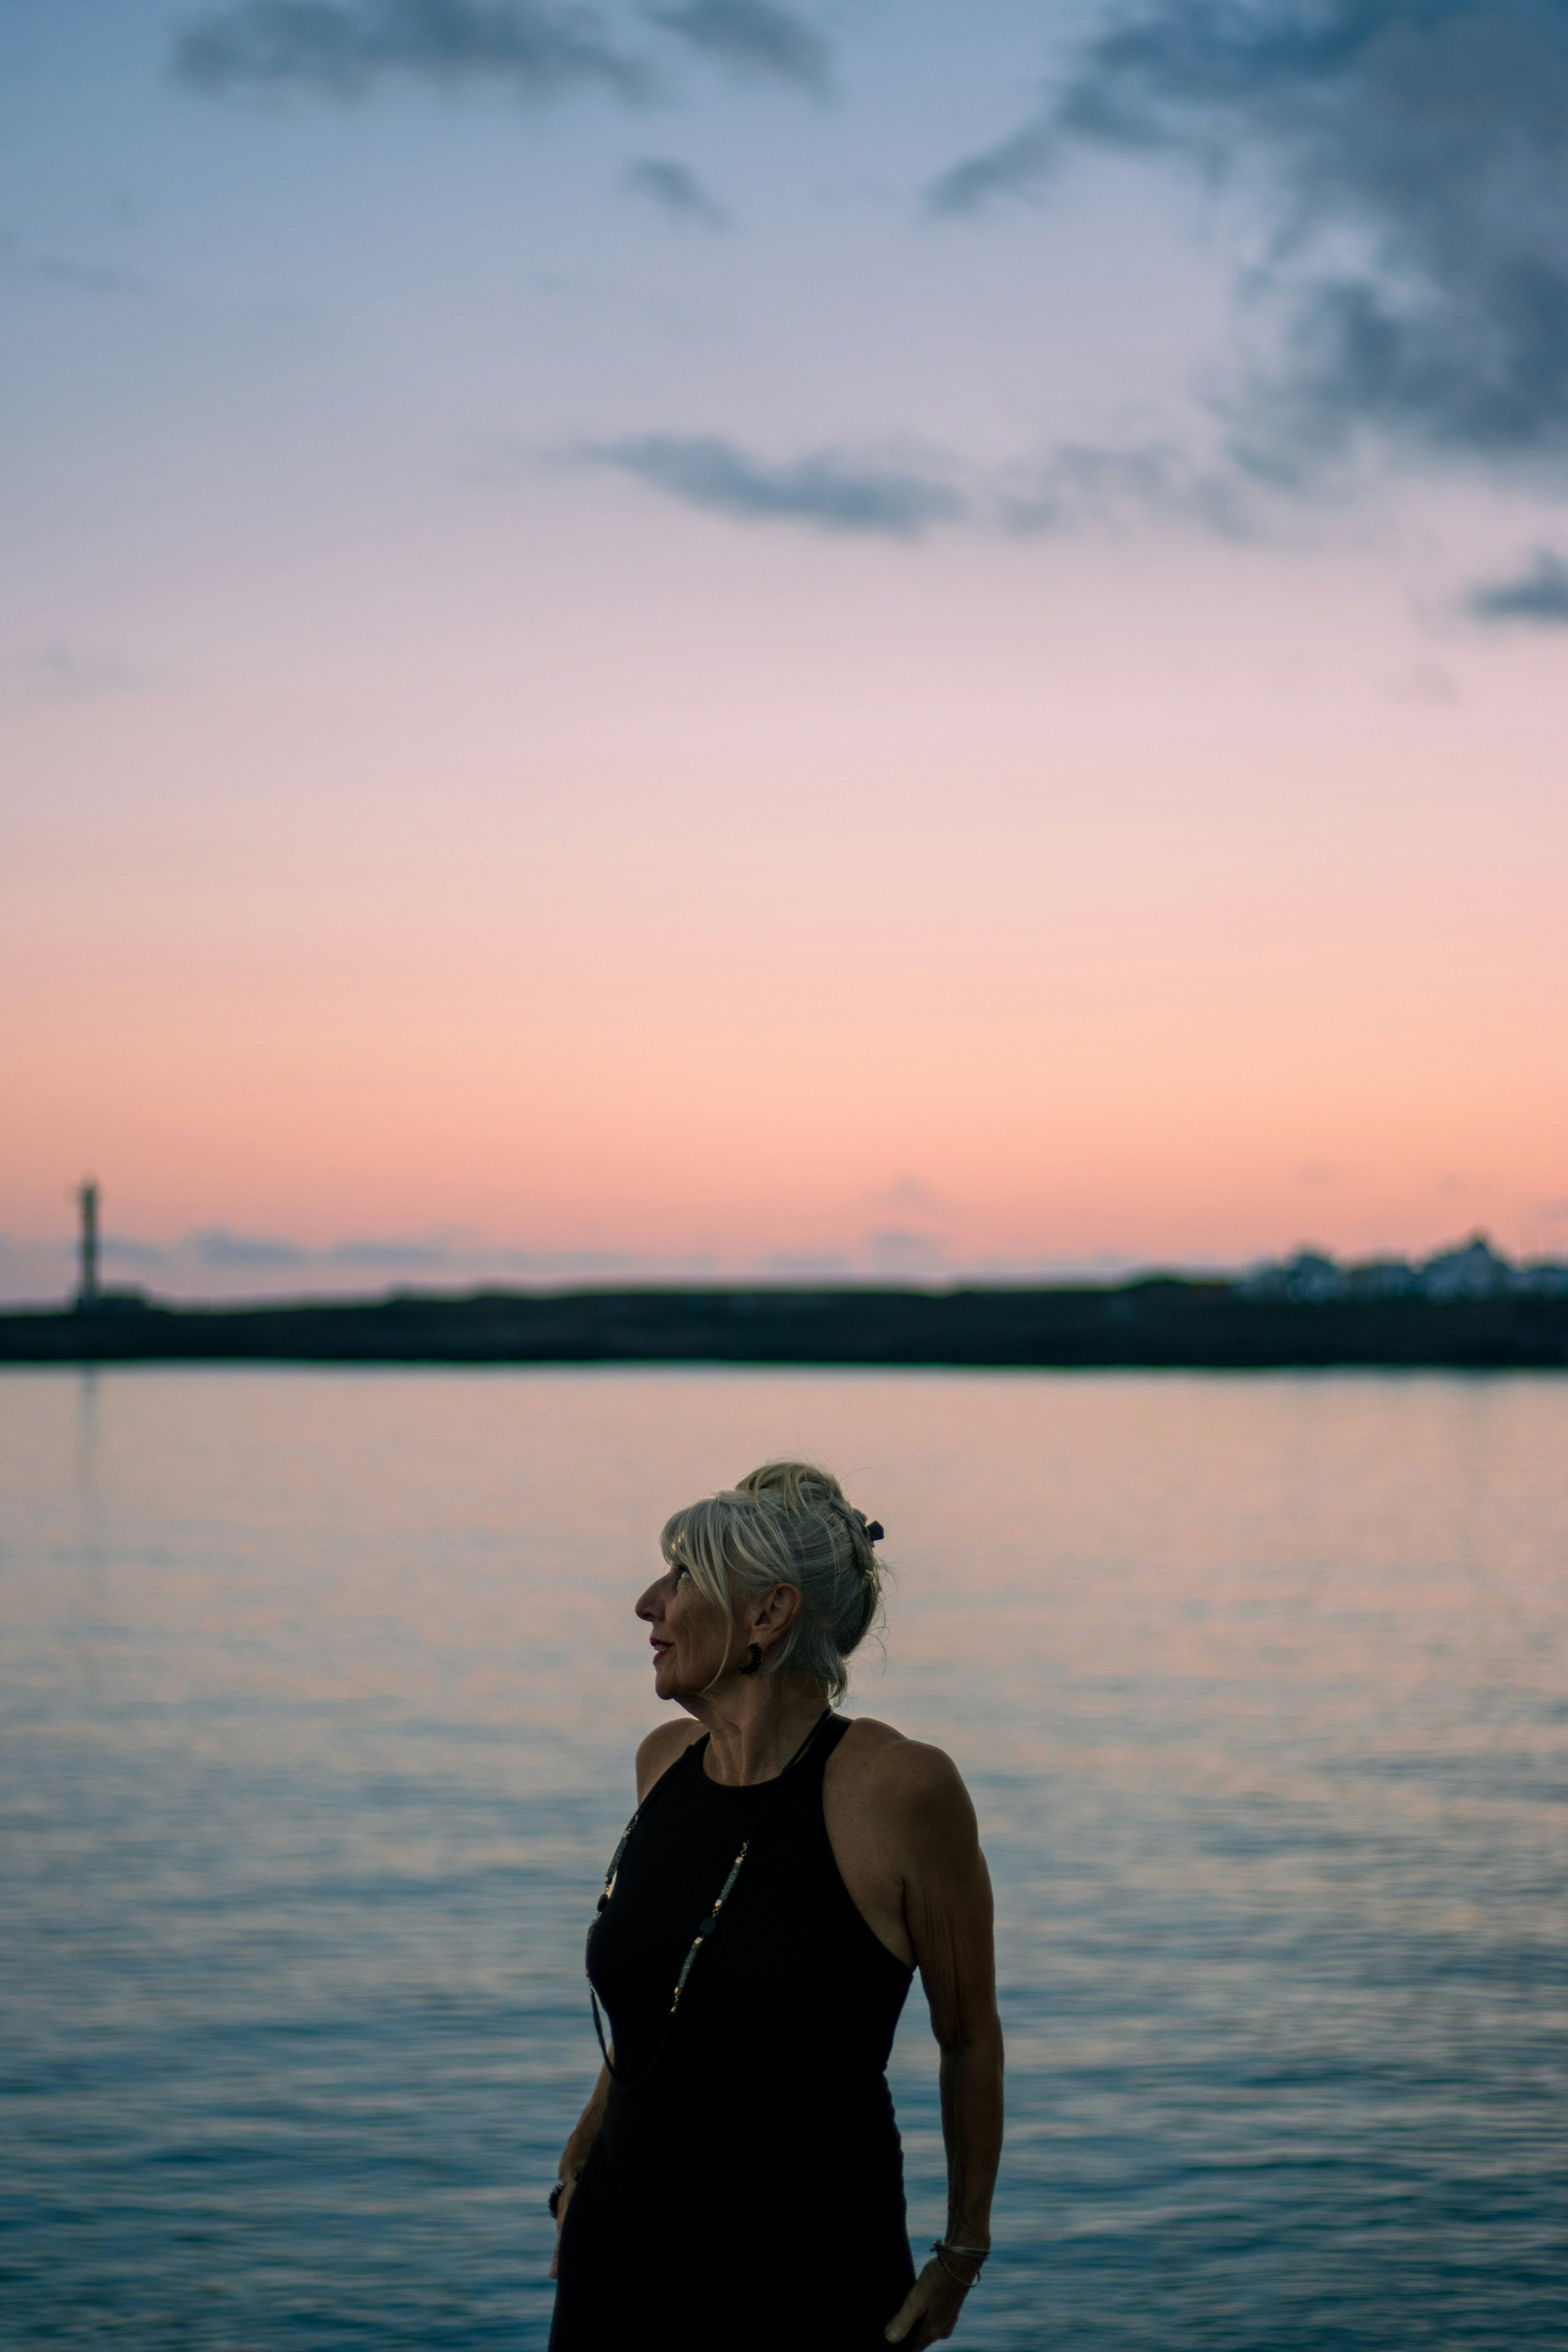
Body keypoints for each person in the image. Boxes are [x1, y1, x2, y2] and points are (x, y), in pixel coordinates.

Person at [547, 1460, 1003, 2352]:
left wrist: (961, 2253)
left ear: (767, 1614)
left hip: (809, 2282)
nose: (648, 1604)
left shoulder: (901, 1789)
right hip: (617, 2260)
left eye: (681, 1577)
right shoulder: (663, 1763)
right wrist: (584, 2148)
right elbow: (676, 1995)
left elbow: (970, 2034)